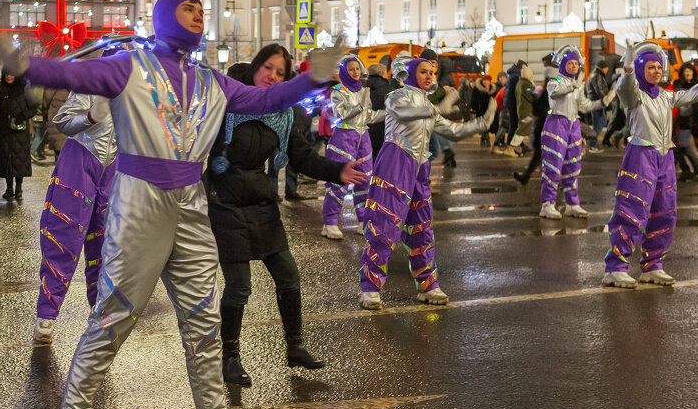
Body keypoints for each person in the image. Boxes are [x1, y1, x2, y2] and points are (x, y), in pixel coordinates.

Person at [0, 0, 339, 409]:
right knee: (114, 314)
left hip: (191, 204)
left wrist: (310, 78)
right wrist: (24, 63)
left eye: (200, 8)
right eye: (188, 7)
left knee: (203, 317)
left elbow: (267, 97)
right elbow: (71, 73)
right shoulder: (130, 66)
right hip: (140, 200)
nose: (197, 13)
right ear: (165, 17)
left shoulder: (213, 81)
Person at [207, 47, 366, 386]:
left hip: (261, 202)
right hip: (225, 201)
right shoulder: (226, 99)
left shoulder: (285, 111)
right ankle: (230, 358)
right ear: (255, 66)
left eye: (281, 73)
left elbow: (302, 156)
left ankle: (295, 347)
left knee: (289, 276)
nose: (273, 77)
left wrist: (338, 171)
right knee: (239, 286)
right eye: (268, 68)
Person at [359, 54, 496, 310]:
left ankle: (428, 285)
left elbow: (453, 131)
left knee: (422, 228)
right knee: (384, 226)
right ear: (411, 74)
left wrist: (482, 123)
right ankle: (370, 287)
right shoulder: (396, 97)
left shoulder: (427, 104)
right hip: (395, 165)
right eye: (423, 72)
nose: (429, 76)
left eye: (431, 72)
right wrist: (439, 107)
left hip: (419, 168)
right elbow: (408, 113)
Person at [602, 44, 698, 288]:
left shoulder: (666, 95)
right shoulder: (634, 95)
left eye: (659, 66)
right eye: (650, 67)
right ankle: (616, 267)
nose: (657, 71)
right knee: (632, 209)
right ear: (641, 69)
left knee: (665, 211)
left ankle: (652, 266)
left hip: (665, 156)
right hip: (641, 155)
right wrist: (628, 69)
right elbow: (626, 88)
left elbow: (695, 93)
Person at [33, 85, 115, 345]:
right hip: (80, 159)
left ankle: (100, 313)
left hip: (116, 166)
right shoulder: (90, 85)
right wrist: (91, 116)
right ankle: (46, 317)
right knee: (63, 236)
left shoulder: (139, 88)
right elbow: (63, 121)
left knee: (108, 242)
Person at [536, 47, 612, 219]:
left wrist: (603, 102)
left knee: (573, 166)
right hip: (556, 124)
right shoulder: (554, 82)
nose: (573, 66)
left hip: (574, 125)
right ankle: (547, 204)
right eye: (570, 63)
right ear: (563, 65)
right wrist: (573, 86)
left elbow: (585, 106)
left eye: (576, 64)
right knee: (553, 165)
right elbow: (555, 94)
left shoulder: (577, 86)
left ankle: (572, 204)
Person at [319, 55, 380, 239]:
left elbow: (368, 116)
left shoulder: (364, 90)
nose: (355, 72)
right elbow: (341, 114)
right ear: (345, 71)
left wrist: (389, 114)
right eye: (351, 69)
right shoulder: (338, 90)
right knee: (339, 180)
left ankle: (363, 220)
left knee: (364, 180)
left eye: (357, 68)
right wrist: (360, 106)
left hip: (363, 137)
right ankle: (329, 223)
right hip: (343, 137)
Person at [0, 70, 36, 201]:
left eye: (11, 73)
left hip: (19, 132)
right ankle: (9, 188)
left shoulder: (25, 89)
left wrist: (22, 116)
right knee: (6, 160)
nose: (9, 76)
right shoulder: (2, 91)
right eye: (7, 74)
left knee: (19, 160)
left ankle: (19, 188)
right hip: (4, 132)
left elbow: (34, 108)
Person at [672, 64, 698, 181]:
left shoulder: (697, 84)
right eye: (685, 71)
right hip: (681, 119)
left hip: (692, 118)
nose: (687, 73)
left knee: (684, 145)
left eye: (689, 71)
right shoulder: (677, 84)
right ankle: (691, 168)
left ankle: (696, 166)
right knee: (680, 145)